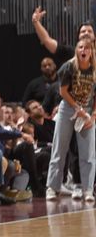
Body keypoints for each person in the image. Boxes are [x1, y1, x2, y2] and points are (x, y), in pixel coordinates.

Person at [46, 39, 96, 202]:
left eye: (87, 48)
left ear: (91, 51)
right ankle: (52, 188)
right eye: (80, 47)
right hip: (68, 107)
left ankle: (88, 190)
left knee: (88, 153)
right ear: (76, 50)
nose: (83, 50)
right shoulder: (69, 66)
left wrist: (93, 115)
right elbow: (63, 91)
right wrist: (77, 108)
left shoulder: (94, 68)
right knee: (60, 149)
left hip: (87, 110)